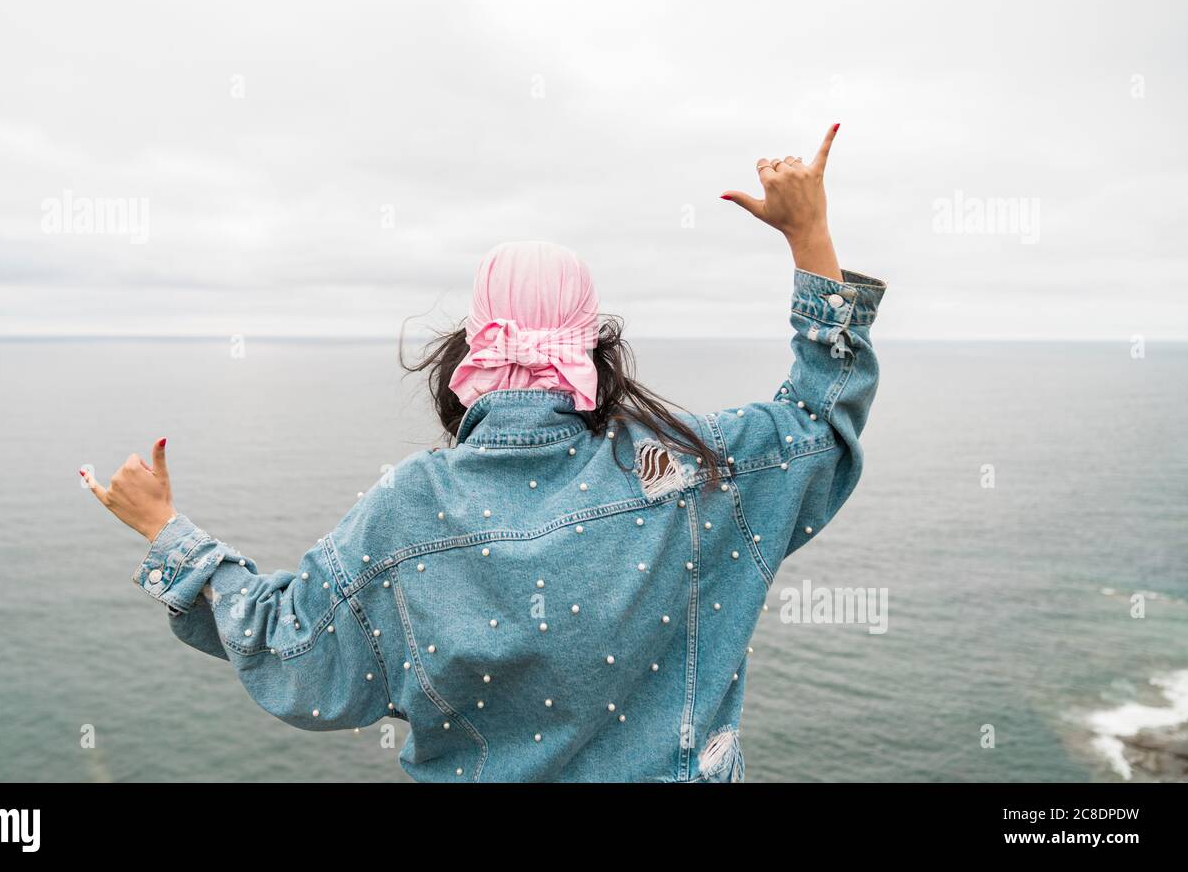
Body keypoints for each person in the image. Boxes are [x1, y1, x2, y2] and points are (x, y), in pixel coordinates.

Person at [82, 124, 886, 781]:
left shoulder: (406, 510)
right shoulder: (684, 473)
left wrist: (168, 535)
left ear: (471, 349)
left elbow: (290, 648)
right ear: (594, 348)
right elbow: (817, 421)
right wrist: (808, 234)